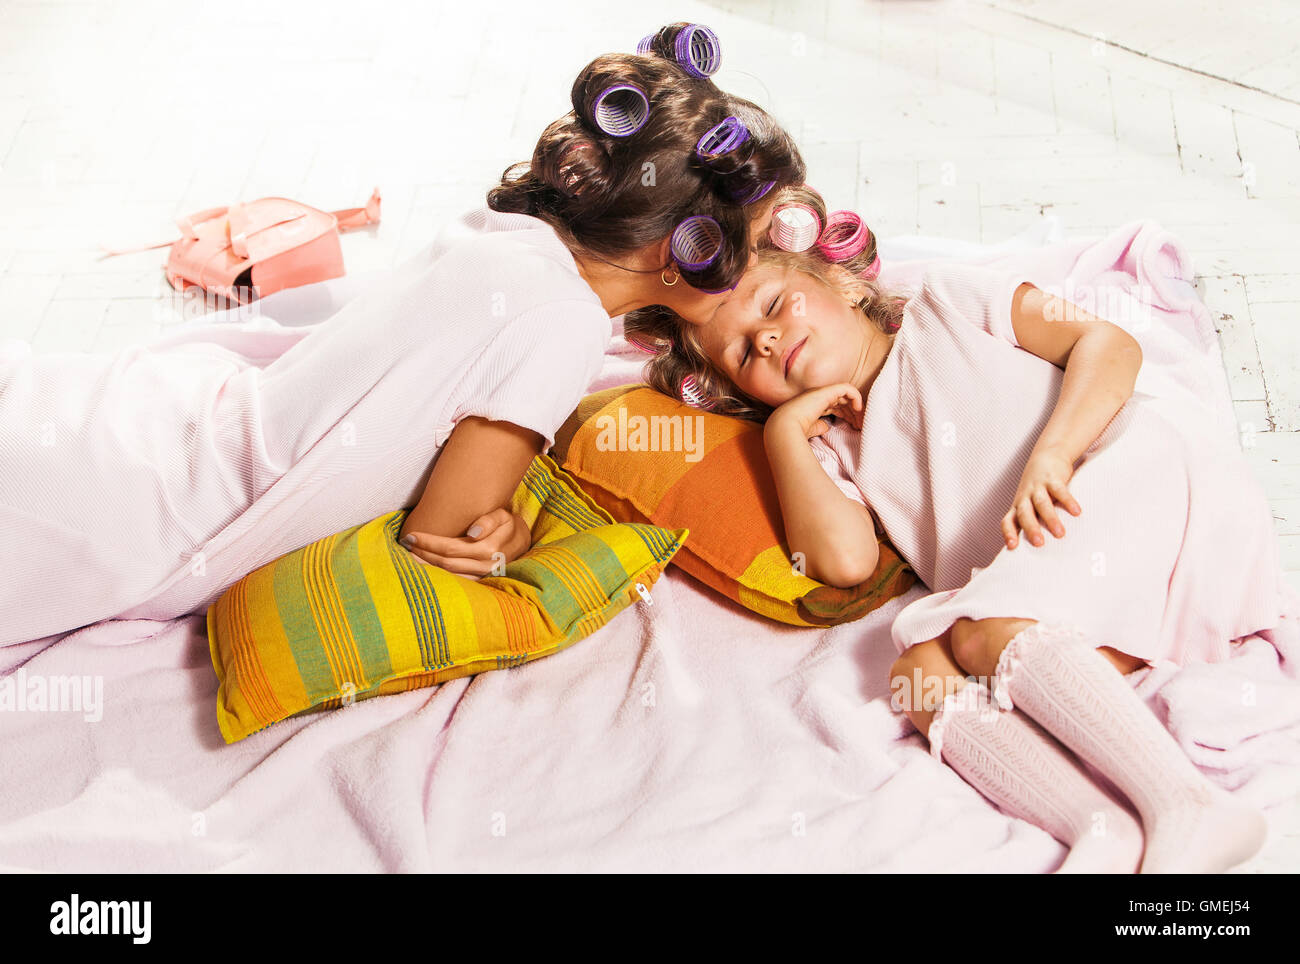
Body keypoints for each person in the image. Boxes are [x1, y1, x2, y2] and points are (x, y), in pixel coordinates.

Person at [0, 23, 804, 646]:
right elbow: (439, 532)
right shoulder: (561, 330)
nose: (773, 271)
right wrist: (515, 529)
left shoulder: (509, 235)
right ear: (682, 251)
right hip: (145, 505)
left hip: (155, 421)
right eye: (762, 243)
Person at [622, 187, 1284, 873]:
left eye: (770, 304)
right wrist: (786, 438)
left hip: (1128, 476)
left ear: (843, 283)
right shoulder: (829, 452)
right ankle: (1102, 827)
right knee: (918, 673)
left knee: (977, 632)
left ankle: (1189, 807)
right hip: (1070, 580)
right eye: (741, 357)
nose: (763, 339)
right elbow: (843, 561)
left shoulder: (948, 303)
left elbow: (1106, 341)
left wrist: (1053, 454)